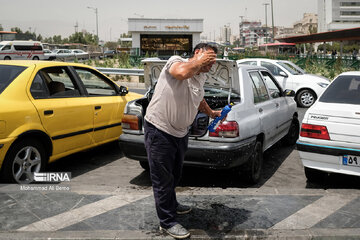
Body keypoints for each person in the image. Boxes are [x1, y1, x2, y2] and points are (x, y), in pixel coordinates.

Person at [144, 43, 221, 239]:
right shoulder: (176, 62)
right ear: (197, 53)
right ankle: (167, 222)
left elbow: (198, 98)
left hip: (180, 133)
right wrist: (198, 62)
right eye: (209, 59)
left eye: (213, 61)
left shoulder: (201, 75)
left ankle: (172, 205)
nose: (211, 65)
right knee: (162, 179)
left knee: (175, 175)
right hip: (159, 130)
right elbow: (181, 73)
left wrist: (211, 112)